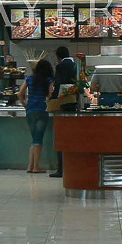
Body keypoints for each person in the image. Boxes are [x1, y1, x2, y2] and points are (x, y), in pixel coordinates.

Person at [18, 59, 54, 173]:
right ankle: (36, 167)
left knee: (34, 139)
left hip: (30, 110)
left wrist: (25, 105)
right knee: (38, 139)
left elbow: (20, 94)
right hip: (42, 110)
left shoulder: (29, 79)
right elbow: (50, 95)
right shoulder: (48, 80)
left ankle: (30, 166)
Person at [49, 46, 77, 178]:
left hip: (62, 105)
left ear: (58, 57)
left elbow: (58, 84)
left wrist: (52, 99)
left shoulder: (61, 66)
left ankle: (61, 169)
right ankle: (72, 166)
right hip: (74, 103)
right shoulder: (75, 65)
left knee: (60, 136)